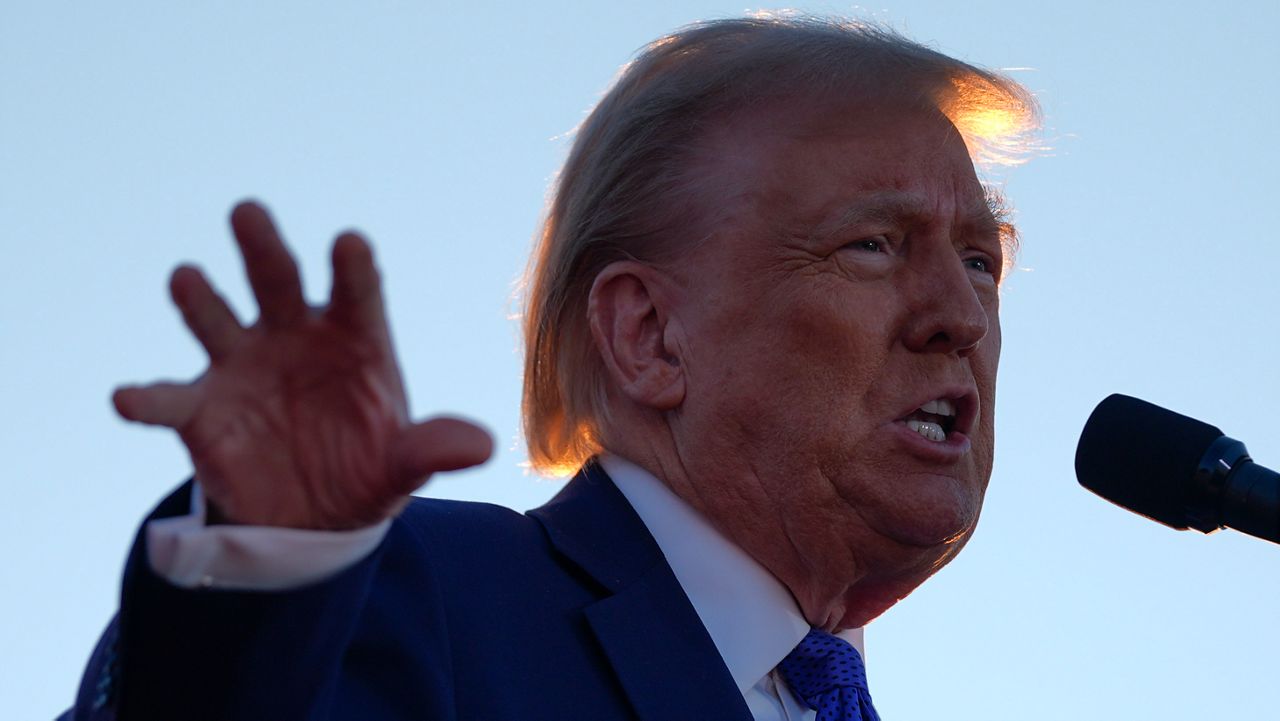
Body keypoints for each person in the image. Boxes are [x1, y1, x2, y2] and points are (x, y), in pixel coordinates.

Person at [65, 14, 1038, 721]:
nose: (958, 316)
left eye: (977, 260)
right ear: (647, 333)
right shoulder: (415, 601)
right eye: (871, 244)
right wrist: (267, 558)